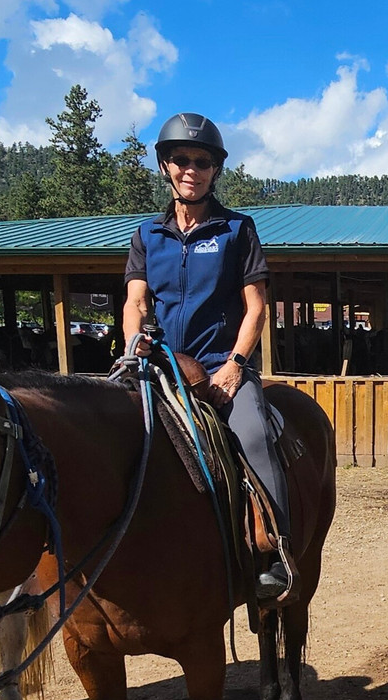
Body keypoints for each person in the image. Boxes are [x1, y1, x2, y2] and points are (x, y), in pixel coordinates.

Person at [123, 113, 293, 601]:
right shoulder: (146, 236)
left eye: (202, 161)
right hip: (159, 364)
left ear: (215, 169)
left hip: (222, 365)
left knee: (255, 435)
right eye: (180, 160)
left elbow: (256, 307)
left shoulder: (237, 229)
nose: (190, 169)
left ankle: (272, 554)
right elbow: (136, 301)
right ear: (164, 166)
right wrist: (134, 349)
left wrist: (236, 365)